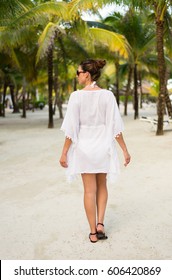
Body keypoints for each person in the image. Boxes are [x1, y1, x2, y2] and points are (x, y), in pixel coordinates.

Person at [59, 59, 131, 243]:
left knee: (89, 190)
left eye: (78, 72)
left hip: (84, 148)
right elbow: (115, 127)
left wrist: (64, 152)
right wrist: (125, 150)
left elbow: (71, 129)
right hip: (103, 147)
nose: (77, 76)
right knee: (102, 186)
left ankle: (92, 232)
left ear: (87, 74)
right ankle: (101, 224)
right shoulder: (107, 95)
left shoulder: (76, 96)